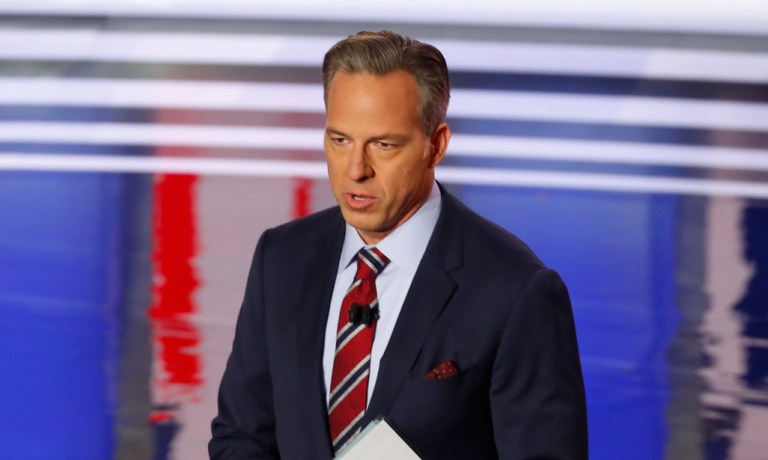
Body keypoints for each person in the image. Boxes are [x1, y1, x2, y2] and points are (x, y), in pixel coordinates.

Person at [209, 30, 587, 459]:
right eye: (340, 140)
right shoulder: (282, 258)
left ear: (436, 145)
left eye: (383, 145)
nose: (356, 170)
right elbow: (241, 435)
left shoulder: (517, 291)